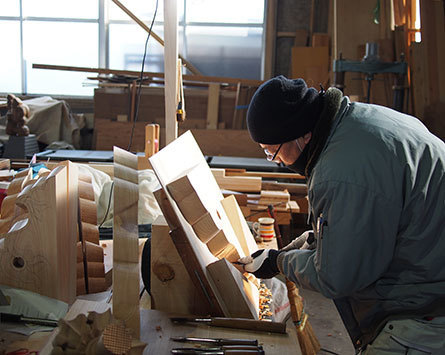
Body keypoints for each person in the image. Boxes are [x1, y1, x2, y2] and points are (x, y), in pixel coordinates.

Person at [236, 75, 445, 354]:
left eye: (272, 152)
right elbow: (377, 218)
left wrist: (280, 262)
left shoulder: (341, 172)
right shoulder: (358, 121)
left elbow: (339, 276)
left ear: (301, 135)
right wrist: (311, 241)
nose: (278, 162)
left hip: (422, 309)